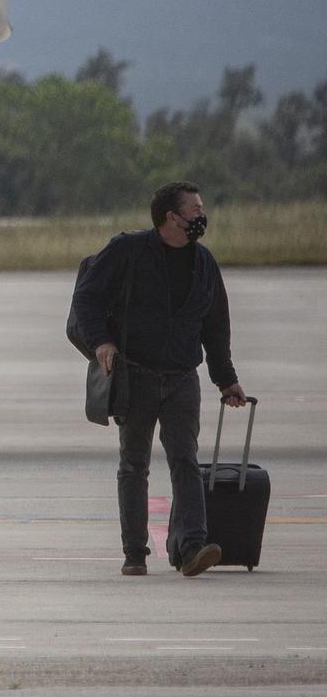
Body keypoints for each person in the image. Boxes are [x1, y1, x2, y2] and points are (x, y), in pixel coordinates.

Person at [72, 181, 247, 578]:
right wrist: (101, 341)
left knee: (185, 461)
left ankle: (192, 549)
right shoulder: (128, 250)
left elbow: (216, 325)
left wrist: (226, 380)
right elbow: (86, 297)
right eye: (195, 209)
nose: (202, 216)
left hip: (183, 378)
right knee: (134, 465)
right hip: (136, 377)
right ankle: (135, 552)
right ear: (172, 217)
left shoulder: (204, 263)